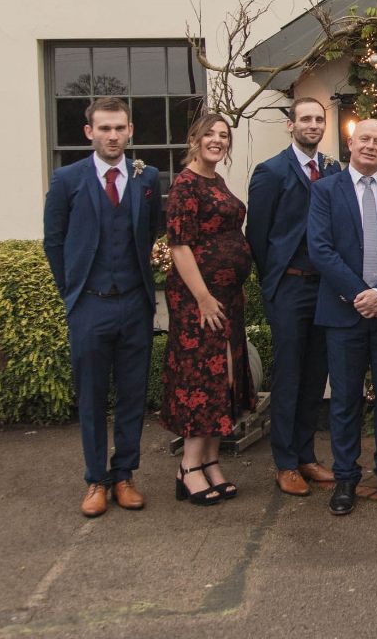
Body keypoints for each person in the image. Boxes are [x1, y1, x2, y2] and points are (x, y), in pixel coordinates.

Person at [43, 96, 162, 517]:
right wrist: (72, 294)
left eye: (119, 128)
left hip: (135, 304)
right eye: (105, 128)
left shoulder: (148, 178)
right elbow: (54, 241)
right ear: (89, 132)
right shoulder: (67, 179)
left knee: (132, 394)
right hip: (90, 306)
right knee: (92, 397)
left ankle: (124, 475)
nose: (113, 136)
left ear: (130, 131)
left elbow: (152, 231)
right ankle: (96, 479)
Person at [308, 119, 377, 516]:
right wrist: (360, 295)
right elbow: (320, 248)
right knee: (345, 399)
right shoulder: (325, 190)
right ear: (350, 143)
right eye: (364, 139)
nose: (371, 146)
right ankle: (345, 477)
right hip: (344, 312)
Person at [246, 96, 341, 497]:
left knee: (316, 374)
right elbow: (258, 235)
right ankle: (285, 462)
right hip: (289, 286)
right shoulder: (270, 172)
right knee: (289, 375)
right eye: (306, 119)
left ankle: (306, 454)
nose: (313, 125)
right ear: (291, 125)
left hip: (326, 289)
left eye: (319, 119)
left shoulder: (332, 170)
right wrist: (275, 282)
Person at [161, 113, 256, 506]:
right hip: (199, 301)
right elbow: (179, 245)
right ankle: (188, 467)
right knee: (202, 378)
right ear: (195, 139)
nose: (217, 140)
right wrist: (202, 296)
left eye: (223, 135)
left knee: (226, 378)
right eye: (210, 134)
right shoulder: (185, 184)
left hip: (227, 298)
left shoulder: (215, 180)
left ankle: (211, 461)